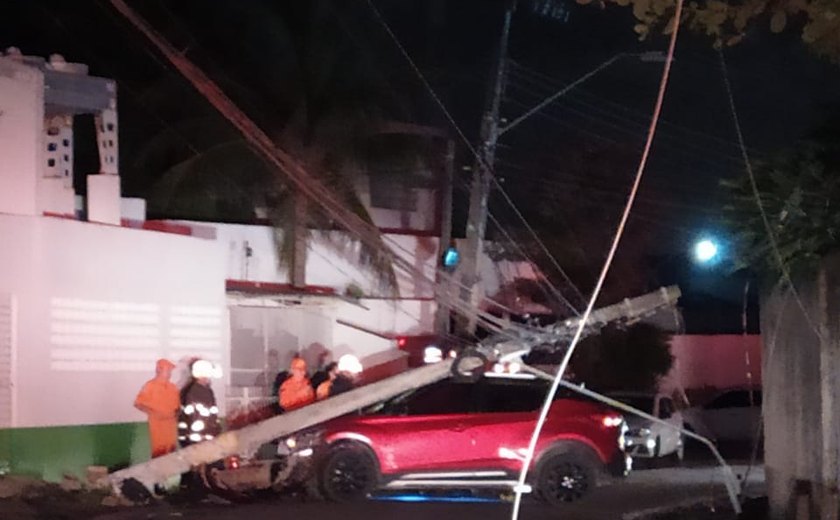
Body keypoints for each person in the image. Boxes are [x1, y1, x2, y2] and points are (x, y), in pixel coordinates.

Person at [134, 359, 180, 458]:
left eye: (170, 371)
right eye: (168, 370)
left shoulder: (173, 387)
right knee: (159, 453)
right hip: (158, 426)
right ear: (159, 370)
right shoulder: (150, 386)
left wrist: (176, 414)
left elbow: (178, 407)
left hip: (171, 426)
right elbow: (138, 403)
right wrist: (153, 413)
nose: (170, 373)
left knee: (171, 452)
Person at [178, 359, 222, 447]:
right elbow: (197, 417)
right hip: (198, 439)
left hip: (201, 437)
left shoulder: (204, 390)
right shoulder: (196, 391)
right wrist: (206, 435)